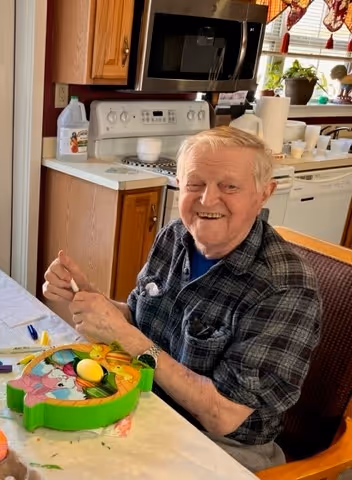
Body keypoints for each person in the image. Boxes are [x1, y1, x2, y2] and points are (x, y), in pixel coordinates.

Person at [42, 127, 321, 472]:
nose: (207, 200)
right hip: (149, 402)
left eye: (229, 186)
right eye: (195, 184)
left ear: (264, 193)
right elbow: (139, 323)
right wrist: (89, 297)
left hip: (224, 445)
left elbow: (223, 416)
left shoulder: (284, 287)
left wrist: (124, 336)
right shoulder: (175, 236)